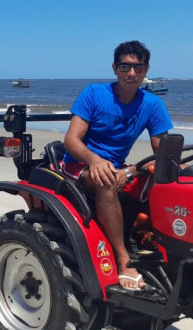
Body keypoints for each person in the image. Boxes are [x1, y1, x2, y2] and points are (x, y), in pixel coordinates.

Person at [62, 41, 173, 291]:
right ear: (115, 68)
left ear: (146, 70)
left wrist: (131, 170)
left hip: (117, 167)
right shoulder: (94, 93)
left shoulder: (152, 104)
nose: (131, 73)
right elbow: (71, 140)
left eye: (138, 67)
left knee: (167, 175)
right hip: (79, 165)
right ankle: (123, 258)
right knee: (106, 178)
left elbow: (163, 152)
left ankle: (160, 243)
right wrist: (95, 160)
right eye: (125, 66)